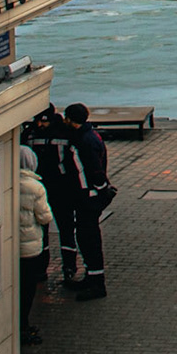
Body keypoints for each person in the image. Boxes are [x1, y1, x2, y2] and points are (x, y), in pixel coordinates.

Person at [24, 106, 83, 288]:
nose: (41, 124)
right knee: (42, 230)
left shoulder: (65, 134)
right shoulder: (30, 134)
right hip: (41, 188)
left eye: (44, 120)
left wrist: (77, 189)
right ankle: (41, 268)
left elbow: (75, 164)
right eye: (38, 120)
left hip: (62, 189)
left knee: (66, 228)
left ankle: (69, 268)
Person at [64, 103, 112, 297]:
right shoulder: (88, 136)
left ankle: (97, 283)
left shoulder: (84, 141)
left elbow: (94, 170)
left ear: (70, 119)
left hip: (89, 197)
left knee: (89, 239)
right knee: (85, 238)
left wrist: (100, 191)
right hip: (88, 195)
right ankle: (91, 276)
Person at [17, 145, 53, 344]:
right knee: (27, 288)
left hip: (12, 246)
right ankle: (24, 326)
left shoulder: (7, 181)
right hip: (30, 248)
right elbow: (45, 217)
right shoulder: (35, 187)